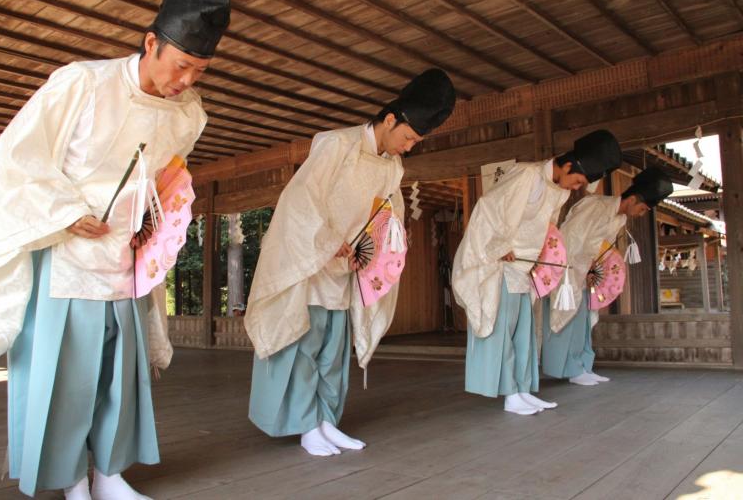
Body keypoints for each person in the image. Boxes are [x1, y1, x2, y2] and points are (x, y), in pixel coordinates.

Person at [0, 0, 230, 497]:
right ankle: (73, 478)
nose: (188, 81)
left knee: (119, 372)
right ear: (151, 43)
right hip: (69, 255)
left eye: (201, 71)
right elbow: (16, 158)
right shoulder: (81, 82)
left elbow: (168, 179)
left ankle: (111, 472)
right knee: (66, 378)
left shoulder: (188, 114)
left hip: (124, 259)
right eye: (183, 65)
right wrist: (62, 209)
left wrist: (155, 223)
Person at [245, 69, 455, 456]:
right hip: (311, 260)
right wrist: (327, 241)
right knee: (306, 346)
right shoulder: (336, 144)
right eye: (408, 137)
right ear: (390, 119)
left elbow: (387, 212)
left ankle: (327, 421)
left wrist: (385, 243)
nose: (408, 147)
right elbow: (301, 200)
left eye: (415, 142)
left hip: (347, 265)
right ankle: (307, 425)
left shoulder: (392, 166)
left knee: (333, 349)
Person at [452, 130, 622, 415]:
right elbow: (489, 209)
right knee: (504, 331)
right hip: (504, 266)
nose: (576, 186)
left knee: (524, 334)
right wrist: (497, 246)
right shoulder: (527, 175)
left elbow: (547, 231)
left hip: (525, 268)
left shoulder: (558, 190)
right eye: (578, 180)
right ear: (567, 166)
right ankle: (510, 393)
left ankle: (522, 388)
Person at [541, 167, 673, 385]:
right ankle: (571, 369)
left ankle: (583, 365)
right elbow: (571, 238)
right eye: (641, 209)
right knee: (569, 319)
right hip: (570, 270)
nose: (640, 214)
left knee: (583, 320)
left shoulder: (619, 218)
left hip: (586, 272)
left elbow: (603, 249)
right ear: (631, 200)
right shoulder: (596, 206)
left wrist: (596, 267)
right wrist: (582, 265)